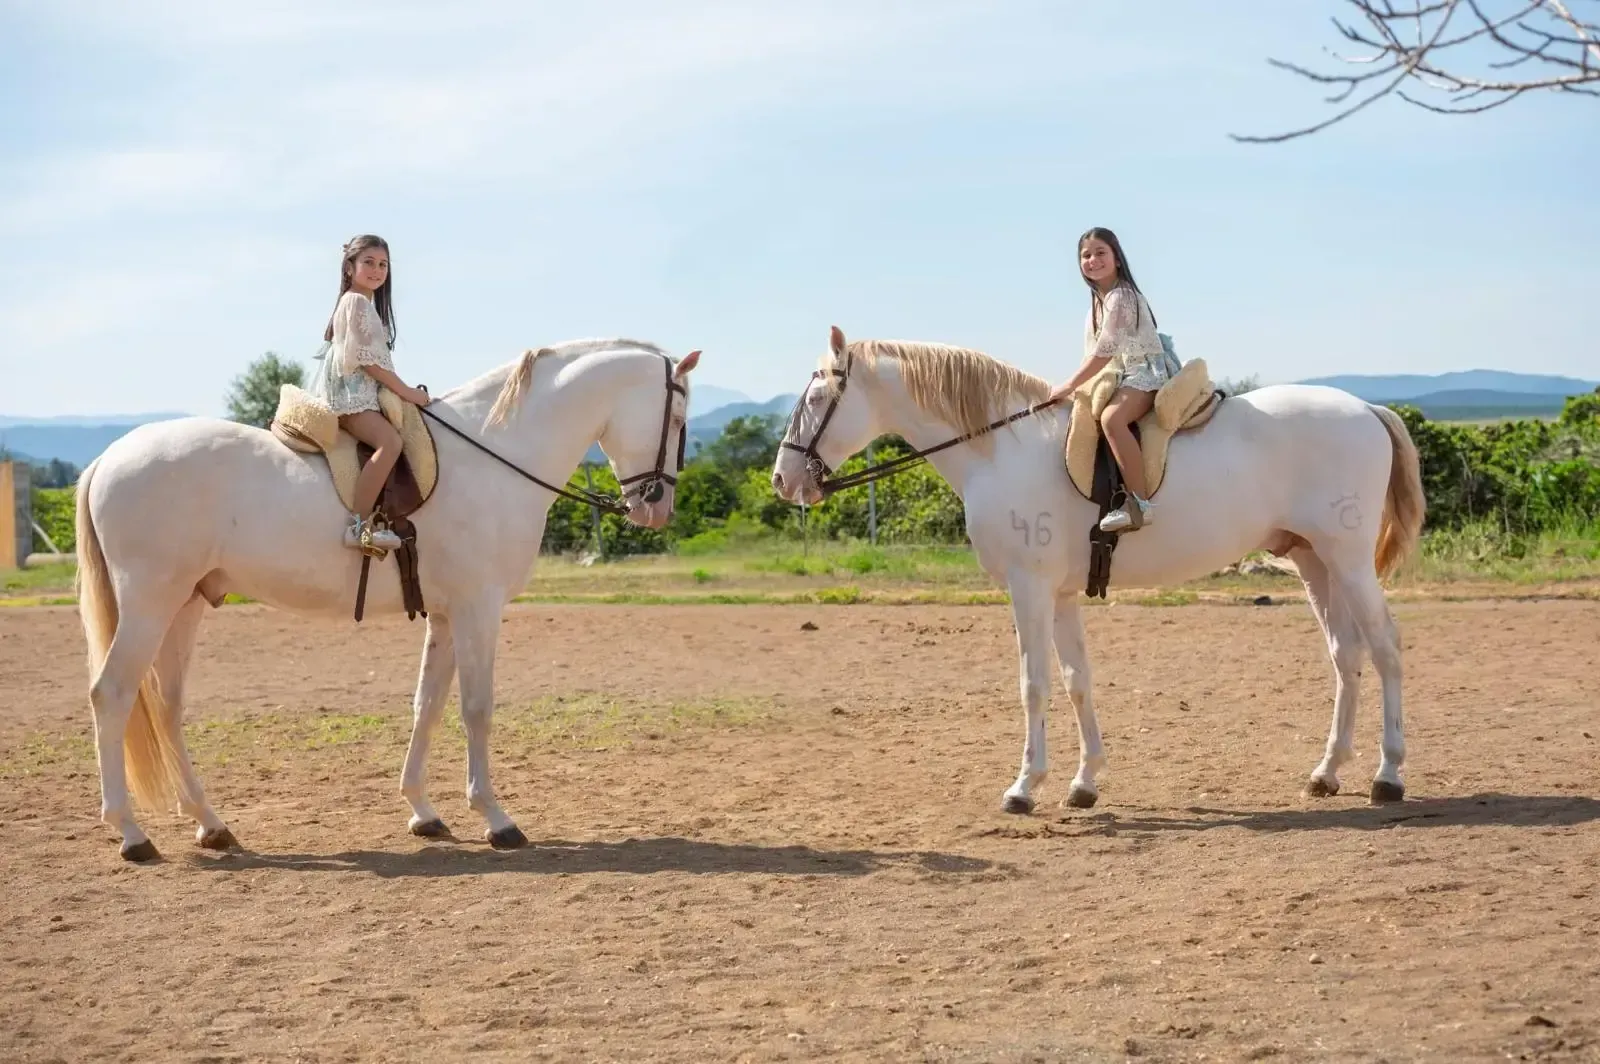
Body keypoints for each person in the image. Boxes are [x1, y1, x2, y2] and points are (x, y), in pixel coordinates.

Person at [309, 234, 433, 552]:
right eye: (369, 263)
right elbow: (367, 361)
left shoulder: (359, 302)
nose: (377, 271)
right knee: (390, 443)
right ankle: (359, 526)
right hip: (350, 395)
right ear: (350, 267)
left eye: (383, 265)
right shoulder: (356, 302)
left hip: (357, 391)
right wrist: (407, 392)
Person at [1047, 227, 1175, 532]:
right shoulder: (1097, 301)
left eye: (1100, 252)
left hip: (1144, 373)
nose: (1093, 260)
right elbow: (1092, 353)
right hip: (1120, 376)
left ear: (1117, 258)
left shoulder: (1121, 296)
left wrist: (1068, 384)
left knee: (1112, 419)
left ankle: (1139, 504)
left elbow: (1104, 353)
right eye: (1086, 255)